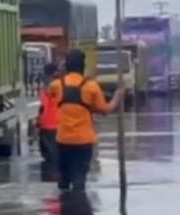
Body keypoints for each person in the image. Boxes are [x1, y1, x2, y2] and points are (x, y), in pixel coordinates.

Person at [48, 49, 123, 192]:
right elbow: (104, 110)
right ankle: (78, 208)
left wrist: (61, 70)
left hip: (63, 140)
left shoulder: (56, 86)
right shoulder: (91, 87)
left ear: (67, 65)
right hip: (84, 141)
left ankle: (66, 210)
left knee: (63, 181)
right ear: (83, 65)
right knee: (79, 180)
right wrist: (116, 98)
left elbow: (54, 94)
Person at [36, 62, 60, 172]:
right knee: (57, 155)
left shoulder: (45, 88)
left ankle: (51, 179)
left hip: (47, 126)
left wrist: (39, 122)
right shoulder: (62, 85)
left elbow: (43, 107)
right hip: (59, 125)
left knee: (50, 157)